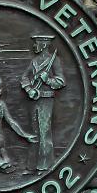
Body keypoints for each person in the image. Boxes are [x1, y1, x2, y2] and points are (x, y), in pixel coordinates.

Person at [21, 33, 64, 171]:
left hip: (46, 100)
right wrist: (29, 90)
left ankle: (45, 166)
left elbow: (61, 82)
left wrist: (48, 80)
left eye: (37, 43)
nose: (34, 45)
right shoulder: (34, 61)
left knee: (44, 132)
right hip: (34, 98)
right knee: (34, 133)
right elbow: (24, 78)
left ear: (44, 44)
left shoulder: (54, 60)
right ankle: (32, 165)